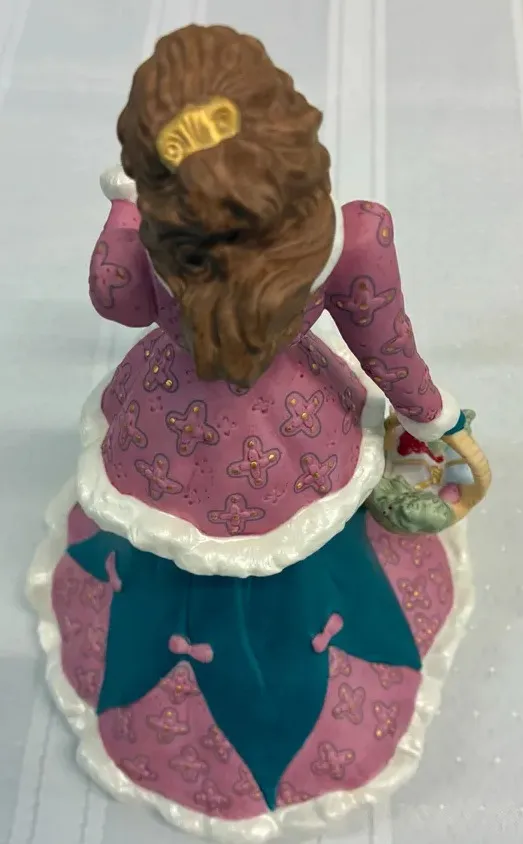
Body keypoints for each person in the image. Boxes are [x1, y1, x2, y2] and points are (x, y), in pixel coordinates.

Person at [27, 24, 489, 841]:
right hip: (297, 433)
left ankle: (185, 663)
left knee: (172, 557)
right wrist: (433, 420)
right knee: (307, 557)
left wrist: (122, 207)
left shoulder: (156, 239)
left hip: (170, 434)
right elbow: (387, 346)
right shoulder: (351, 233)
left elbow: (116, 299)